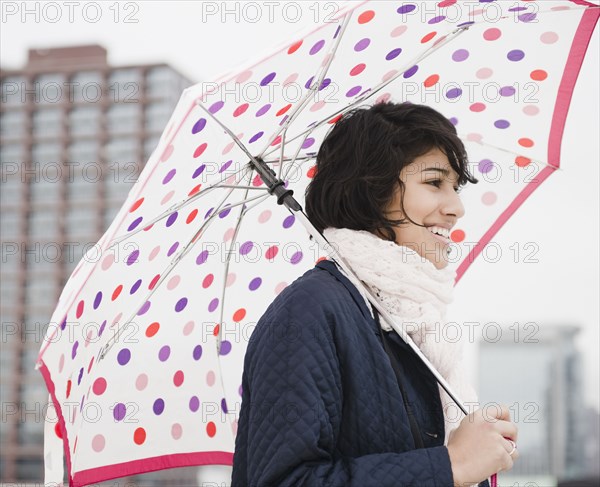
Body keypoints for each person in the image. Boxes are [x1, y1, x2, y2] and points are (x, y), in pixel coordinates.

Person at [231, 102, 518, 486]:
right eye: (434, 182)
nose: (456, 208)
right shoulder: (309, 312)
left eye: (456, 186)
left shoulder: (410, 317)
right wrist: (451, 465)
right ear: (372, 189)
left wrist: (476, 457)